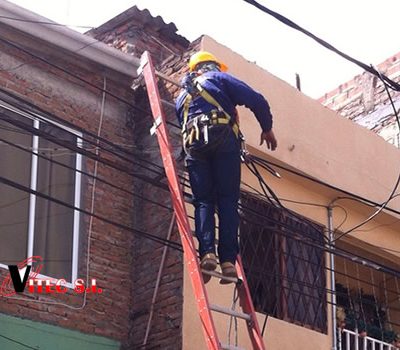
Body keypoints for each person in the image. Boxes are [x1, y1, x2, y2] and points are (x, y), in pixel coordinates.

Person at [175, 51, 277, 282]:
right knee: (227, 200)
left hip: (194, 147)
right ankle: (228, 260)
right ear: (212, 66)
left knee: (203, 201)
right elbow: (256, 99)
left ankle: (207, 252)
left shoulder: (181, 98)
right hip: (222, 140)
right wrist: (267, 127)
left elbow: (182, 123)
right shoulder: (219, 79)